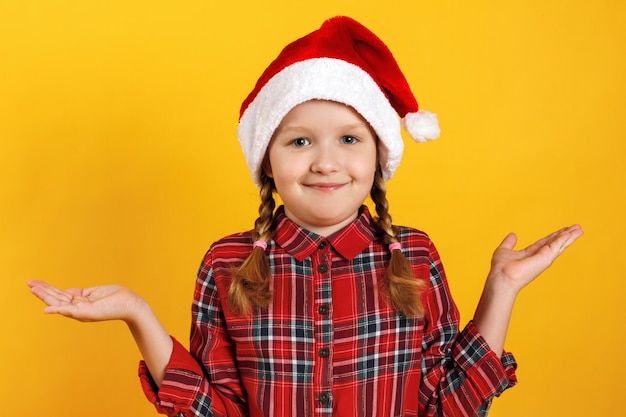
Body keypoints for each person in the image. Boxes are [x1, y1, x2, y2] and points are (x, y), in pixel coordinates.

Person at [28, 16, 583, 417]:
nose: (325, 161)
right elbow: (214, 409)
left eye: (348, 138)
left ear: (377, 156)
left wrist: (503, 288)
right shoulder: (227, 264)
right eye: (299, 141)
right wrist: (136, 314)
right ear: (268, 161)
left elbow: (447, 406)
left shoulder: (414, 256)